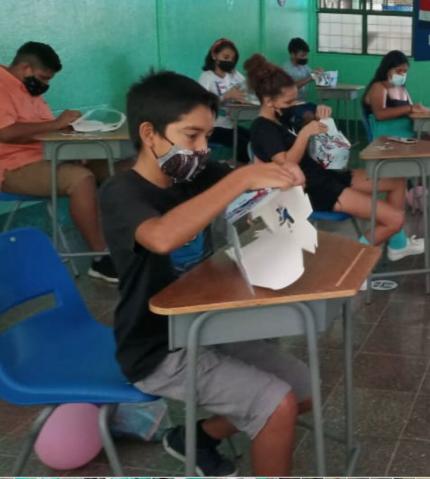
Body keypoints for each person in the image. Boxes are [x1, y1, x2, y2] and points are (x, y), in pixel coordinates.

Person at [100, 70, 311, 476]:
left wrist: (280, 174)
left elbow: (246, 185)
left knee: (303, 387)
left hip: (208, 327)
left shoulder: (194, 175)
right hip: (156, 348)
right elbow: (160, 237)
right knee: (277, 405)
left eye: (206, 138)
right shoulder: (121, 193)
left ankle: (198, 438)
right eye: (191, 136)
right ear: (149, 134)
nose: (201, 150)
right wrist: (243, 178)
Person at [246, 53, 424, 259]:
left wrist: (318, 115)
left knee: (396, 182)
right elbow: (287, 165)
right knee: (395, 219)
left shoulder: (281, 116)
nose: (293, 105)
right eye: (289, 101)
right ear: (268, 101)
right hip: (313, 189)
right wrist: (305, 134)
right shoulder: (263, 129)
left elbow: (304, 120)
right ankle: (353, 264)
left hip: (324, 175)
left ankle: (398, 245)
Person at [0, 42, 128, 283]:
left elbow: (47, 130)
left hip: (49, 157)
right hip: (13, 166)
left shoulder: (30, 91)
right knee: (81, 179)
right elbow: (5, 133)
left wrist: (72, 134)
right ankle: (101, 258)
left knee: (119, 166)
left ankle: (131, 239)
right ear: (25, 67)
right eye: (42, 77)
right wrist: (56, 124)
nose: (45, 84)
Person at [198, 38, 250, 164]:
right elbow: (200, 104)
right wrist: (225, 96)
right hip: (213, 127)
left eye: (232, 59)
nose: (229, 61)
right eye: (226, 57)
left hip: (230, 124)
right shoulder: (207, 77)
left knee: (254, 138)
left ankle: (240, 166)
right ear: (214, 55)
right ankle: (241, 172)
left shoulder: (232, 75)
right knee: (244, 144)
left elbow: (247, 86)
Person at [363, 50, 429, 139]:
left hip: (407, 133)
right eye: (398, 71)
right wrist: (411, 108)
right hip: (386, 137)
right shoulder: (379, 86)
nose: (402, 74)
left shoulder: (402, 89)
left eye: (405, 71)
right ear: (387, 69)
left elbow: (411, 111)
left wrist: (422, 110)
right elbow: (380, 114)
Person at [283, 37, 322, 102]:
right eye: (302, 55)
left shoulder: (303, 66)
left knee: (322, 109)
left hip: (302, 102)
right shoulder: (286, 69)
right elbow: (290, 87)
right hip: (290, 104)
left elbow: (312, 75)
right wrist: (310, 77)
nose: (305, 58)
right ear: (293, 54)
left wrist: (318, 72)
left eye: (306, 55)